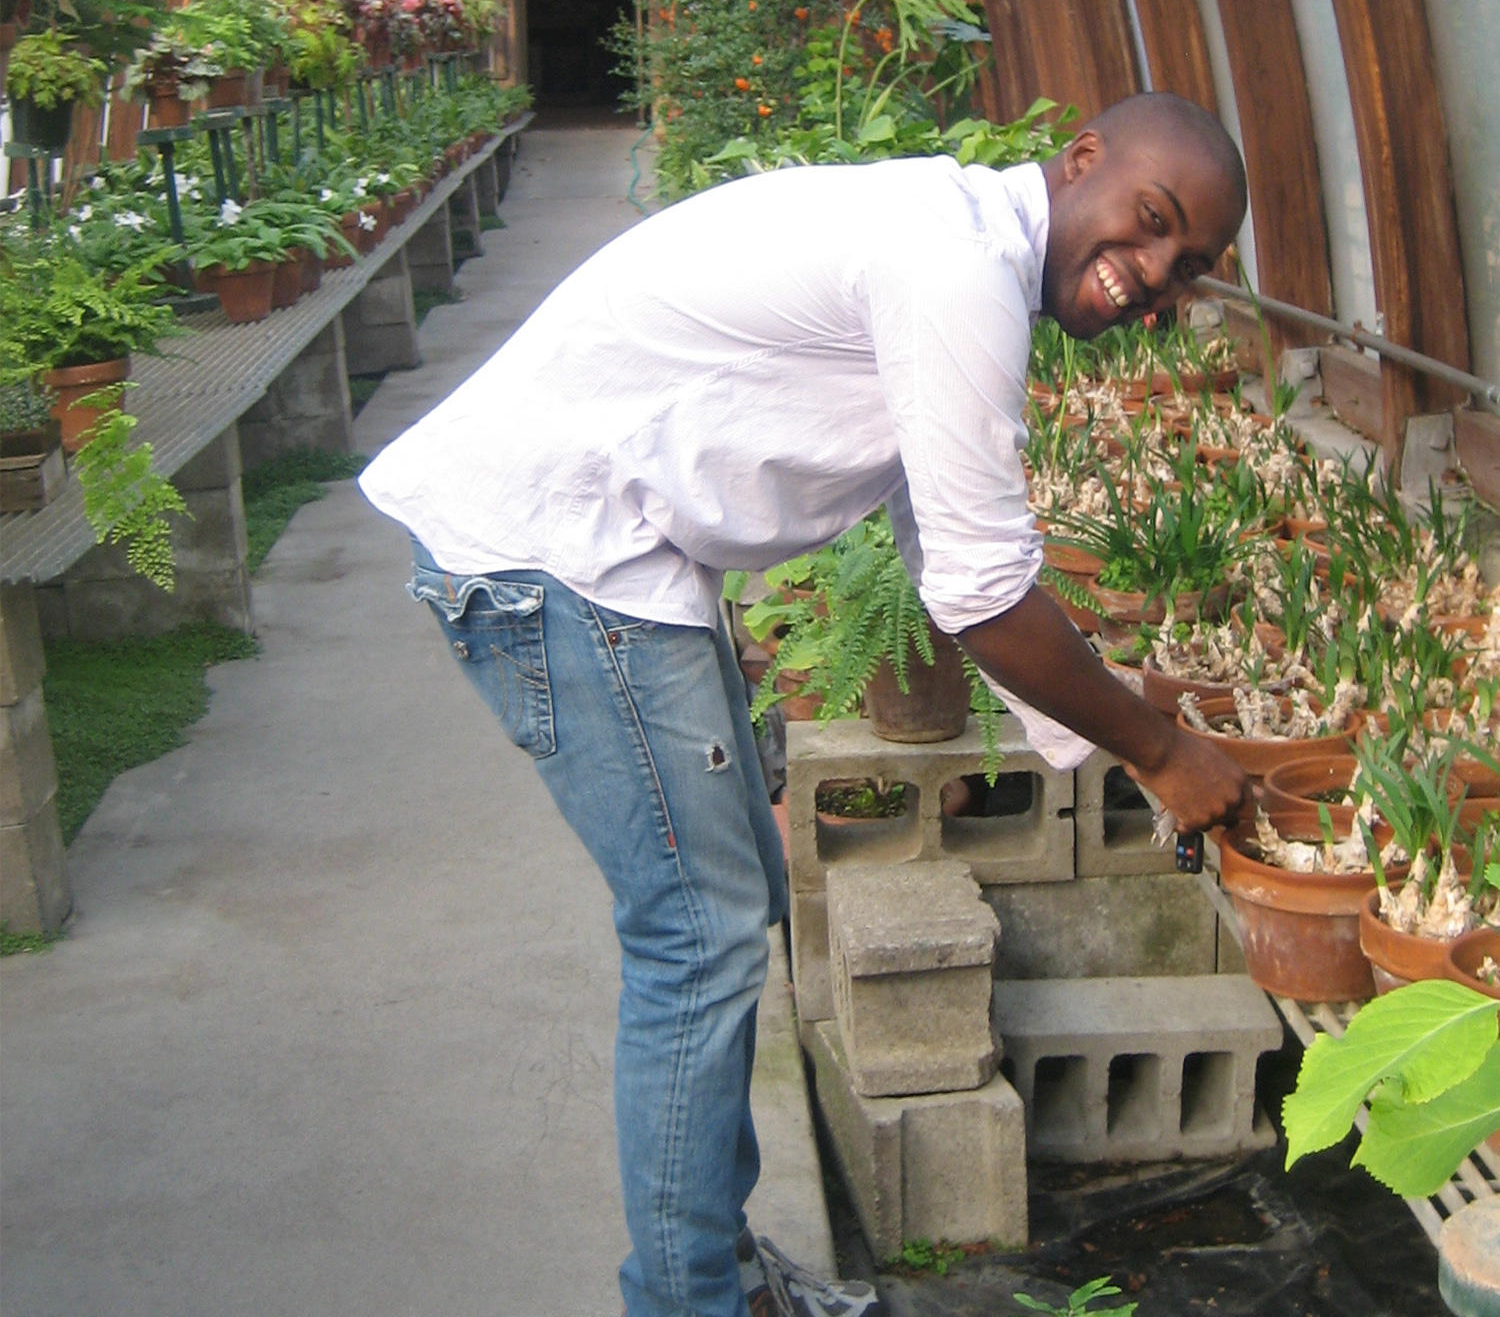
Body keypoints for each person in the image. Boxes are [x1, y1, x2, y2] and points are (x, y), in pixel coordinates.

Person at [357, 91, 1254, 1317]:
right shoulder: (956, 269)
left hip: (610, 553)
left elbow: (945, 553)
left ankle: (710, 1272)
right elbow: (987, 590)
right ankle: (689, 1301)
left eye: (1187, 267)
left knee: (726, 915)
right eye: (1151, 224)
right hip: (560, 554)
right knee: (699, 938)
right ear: (1081, 158)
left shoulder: (955, 241)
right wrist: (1158, 752)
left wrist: (1116, 705)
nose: (1154, 274)